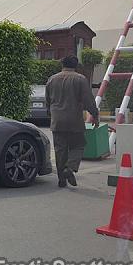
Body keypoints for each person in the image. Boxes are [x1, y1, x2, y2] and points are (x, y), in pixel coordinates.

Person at [45, 55, 99, 188]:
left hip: (57, 120)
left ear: (62, 64)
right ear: (76, 66)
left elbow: (48, 100)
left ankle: (61, 179)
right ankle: (70, 168)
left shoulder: (52, 79)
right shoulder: (80, 79)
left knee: (60, 150)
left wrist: (50, 115)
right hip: (74, 119)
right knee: (78, 145)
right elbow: (88, 100)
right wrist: (95, 114)